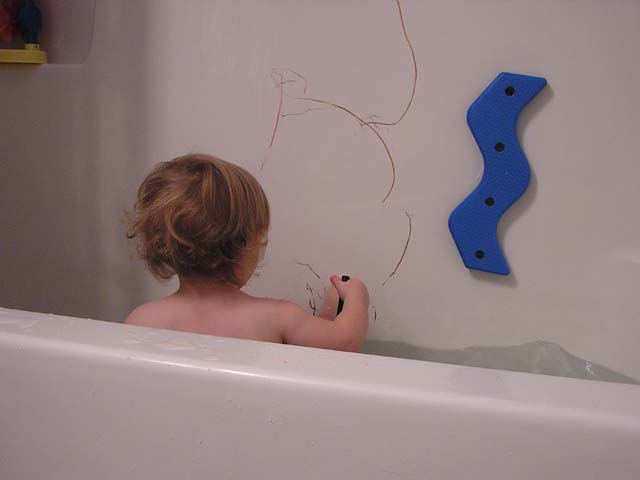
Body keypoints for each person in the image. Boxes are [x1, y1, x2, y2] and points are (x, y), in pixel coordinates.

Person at [125, 153, 369, 352]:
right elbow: (343, 341)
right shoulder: (278, 317)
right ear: (246, 248)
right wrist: (356, 295)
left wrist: (324, 318)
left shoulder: (142, 320)